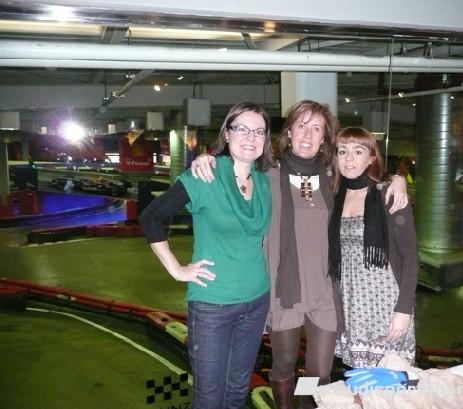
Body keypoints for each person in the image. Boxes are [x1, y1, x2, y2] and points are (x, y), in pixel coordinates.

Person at [190, 100, 408, 409]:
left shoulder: (333, 177)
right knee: (283, 364)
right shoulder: (265, 173)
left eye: (316, 129)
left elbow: (367, 177)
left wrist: (398, 179)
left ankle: (306, 405)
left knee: (319, 372)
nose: (308, 135)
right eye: (301, 126)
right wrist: (207, 158)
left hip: (324, 290)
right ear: (289, 132)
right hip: (284, 289)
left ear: (324, 138)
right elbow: (234, 163)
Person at [139, 101, 275, 409]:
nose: (251, 137)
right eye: (242, 129)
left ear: (266, 139)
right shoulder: (205, 175)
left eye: (259, 131)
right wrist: (176, 269)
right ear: (227, 133)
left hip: (257, 301)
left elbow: (312, 177)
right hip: (213, 305)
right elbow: (151, 216)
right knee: (209, 397)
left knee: (238, 390)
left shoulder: (266, 180)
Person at [329, 127, 418, 369]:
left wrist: (404, 310)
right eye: (343, 151)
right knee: (360, 377)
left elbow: (410, 256)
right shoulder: (333, 195)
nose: (349, 158)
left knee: (391, 377)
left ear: (371, 158)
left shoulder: (388, 193)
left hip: (386, 303)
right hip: (352, 304)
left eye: (358, 151)